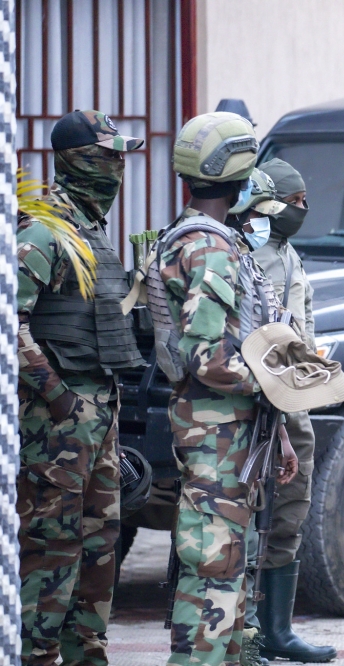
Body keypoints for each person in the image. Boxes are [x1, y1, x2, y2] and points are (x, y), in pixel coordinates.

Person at [159, 113, 295, 666]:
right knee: (213, 576)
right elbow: (207, 357)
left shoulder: (217, 241)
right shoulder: (208, 248)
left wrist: (278, 423)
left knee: (232, 579)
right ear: (237, 173)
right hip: (216, 436)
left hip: (234, 436)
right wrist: (278, 383)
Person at [16, 110, 144, 666]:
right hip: (57, 426)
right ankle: (36, 654)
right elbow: (8, 323)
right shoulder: (45, 230)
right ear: (79, 159)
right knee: (52, 551)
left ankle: (87, 654)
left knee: (98, 550)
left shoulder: (92, 231)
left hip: (100, 416)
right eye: (109, 154)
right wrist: (58, 396)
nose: (119, 166)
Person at [243, 158, 337, 663]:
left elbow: (301, 328)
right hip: (262, 403)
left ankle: (277, 630)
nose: (304, 209)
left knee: (289, 513)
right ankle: (250, 630)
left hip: (294, 401)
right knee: (254, 516)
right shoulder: (250, 252)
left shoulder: (289, 252)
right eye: (296, 201)